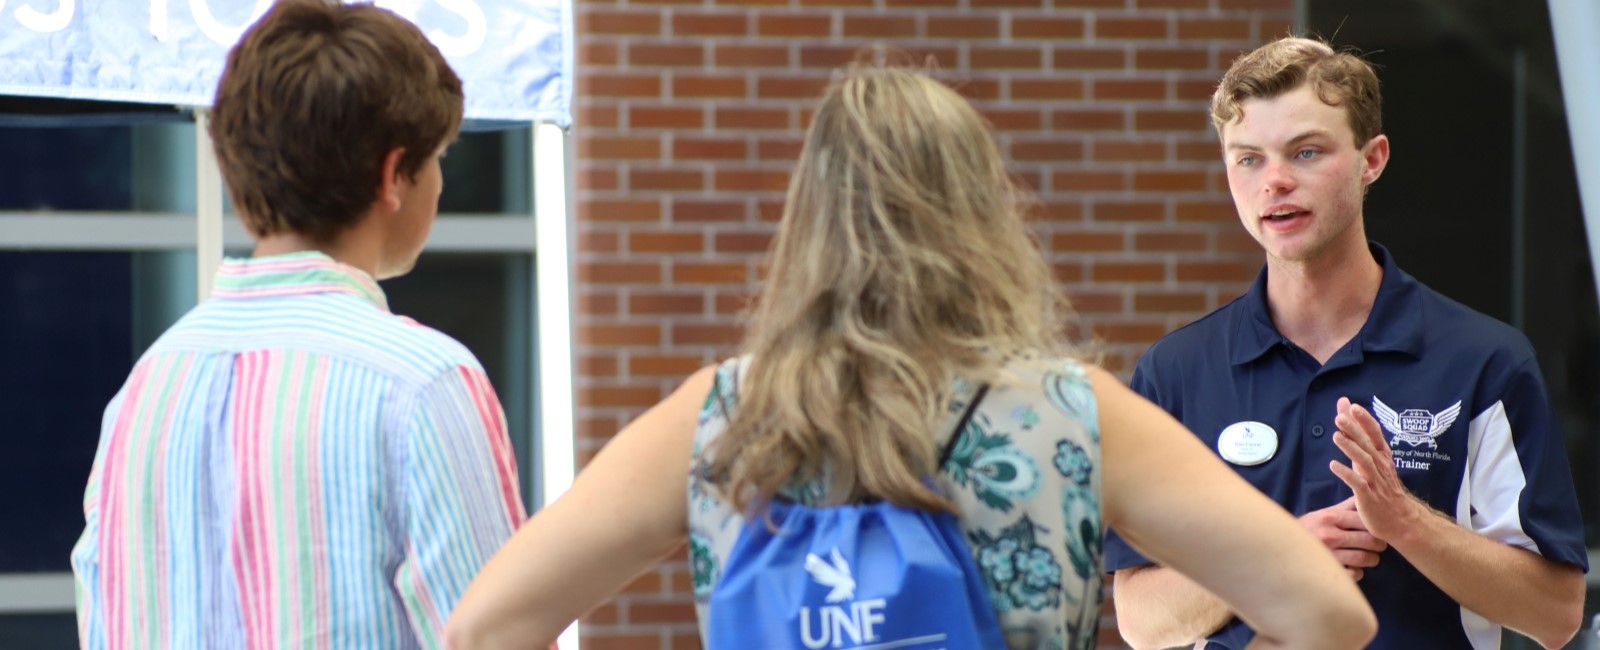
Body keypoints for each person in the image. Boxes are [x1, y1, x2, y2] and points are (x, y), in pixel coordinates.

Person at [443, 64, 1374, 650]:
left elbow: (487, 626)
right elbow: (1328, 615)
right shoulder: (1074, 414)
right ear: (984, 215)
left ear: (806, 223)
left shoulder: (719, 416)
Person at [1105, 36, 1588, 650]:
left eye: (1306, 152)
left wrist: (1407, 522)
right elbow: (1141, 621)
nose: (1274, 181)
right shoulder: (1176, 372)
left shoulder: (1484, 361)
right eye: (1247, 158)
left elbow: (1556, 613)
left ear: (1373, 159)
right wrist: (1278, 554)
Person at [69, 1, 526, 647]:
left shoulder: (146, 388)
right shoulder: (422, 382)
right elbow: (497, 634)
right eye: (440, 156)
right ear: (393, 174)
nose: (443, 183)